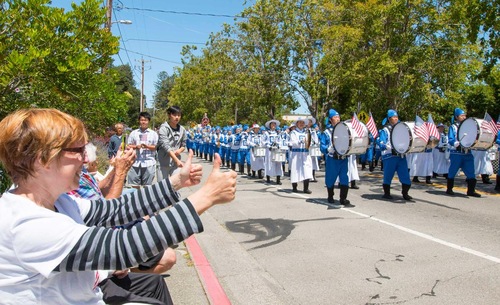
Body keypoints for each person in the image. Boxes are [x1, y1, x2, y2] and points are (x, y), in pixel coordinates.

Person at [0, 108, 237, 304]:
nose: (86, 158)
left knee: (154, 288)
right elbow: (124, 248)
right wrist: (207, 196)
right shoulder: (26, 223)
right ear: (42, 159)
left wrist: (176, 182)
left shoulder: (56, 201)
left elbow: (115, 210)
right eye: (78, 150)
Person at [375, 109, 413, 200]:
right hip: (389, 156)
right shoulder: (385, 130)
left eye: (396, 117)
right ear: (389, 118)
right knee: (388, 175)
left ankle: (405, 193)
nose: (395, 119)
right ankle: (387, 193)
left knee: (405, 175)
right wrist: (385, 146)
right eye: (393, 117)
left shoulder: (401, 128)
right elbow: (381, 141)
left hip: (401, 155)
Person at [320, 109, 354, 207]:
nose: (338, 119)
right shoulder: (326, 132)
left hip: (343, 158)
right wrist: (329, 149)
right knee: (330, 178)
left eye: (338, 117)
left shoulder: (345, 129)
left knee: (344, 177)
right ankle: (330, 196)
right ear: (330, 120)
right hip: (332, 158)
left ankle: (343, 198)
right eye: (335, 117)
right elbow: (322, 147)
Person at [446, 108, 481, 197]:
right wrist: (454, 143)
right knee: (452, 171)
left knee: (471, 172)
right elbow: (450, 138)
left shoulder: (469, 127)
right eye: (462, 115)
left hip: (467, 152)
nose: (464, 117)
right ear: (457, 117)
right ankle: (449, 189)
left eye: (465, 115)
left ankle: (471, 191)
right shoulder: (453, 127)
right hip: (456, 153)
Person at [127, 111, 158, 188]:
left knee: (147, 187)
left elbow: (157, 147)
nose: (143, 122)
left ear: (149, 121)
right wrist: (136, 147)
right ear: (139, 121)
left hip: (149, 162)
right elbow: (128, 145)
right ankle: (136, 199)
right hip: (135, 163)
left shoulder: (153, 134)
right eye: (142, 120)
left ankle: (145, 200)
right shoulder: (133, 133)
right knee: (134, 186)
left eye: (145, 120)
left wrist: (147, 146)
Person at [157, 106, 187, 180]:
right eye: (174, 115)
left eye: (179, 115)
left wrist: (179, 151)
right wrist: (177, 160)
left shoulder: (182, 129)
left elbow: (184, 144)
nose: (177, 117)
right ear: (169, 115)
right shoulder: (163, 128)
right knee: (162, 187)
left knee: (175, 185)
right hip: (163, 163)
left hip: (175, 164)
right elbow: (166, 146)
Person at [289, 117, 314, 193]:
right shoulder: (293, 132)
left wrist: (309, 143)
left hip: (305, 153)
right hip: (296, 154)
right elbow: (292, 142)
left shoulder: (307, 132)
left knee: (307, 170)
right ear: (297, 124)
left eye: (303, 123)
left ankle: (306, 188)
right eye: (300, 123)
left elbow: (311, 141)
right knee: (295, 170)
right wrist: (300, 141)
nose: (301, 124)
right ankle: (294, 187)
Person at [263, 119, 283, 184]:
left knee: (278, 164)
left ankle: (278, 179)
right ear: (270, 125)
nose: (273, 125)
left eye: (274, 124)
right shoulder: (266, 133)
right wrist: (269, 146)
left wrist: (278, 145)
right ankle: (268, 178)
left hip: (276, 150)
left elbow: (280, 141)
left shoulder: (278, 133)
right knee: (269, 164)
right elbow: (263, 141)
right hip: (269, 151)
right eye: (272, 124)